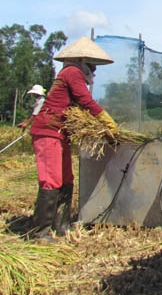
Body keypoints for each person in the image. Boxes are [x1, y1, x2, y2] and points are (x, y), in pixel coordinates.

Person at [28, 36, 119, 242]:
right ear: (80, 60)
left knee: (66, 178)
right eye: (92, 65)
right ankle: (40, 233)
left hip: (61, 133)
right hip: (48, 131)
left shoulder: (73, 72)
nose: (93, 70)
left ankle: (61, 225)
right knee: (51, 179)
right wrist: (104, 118)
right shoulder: (72, 72)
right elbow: (83, 98)